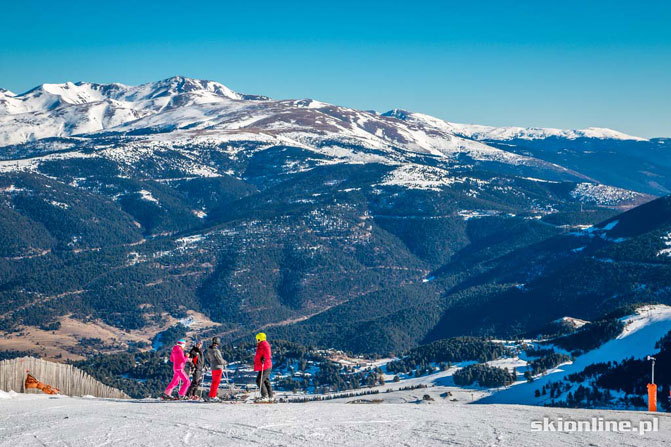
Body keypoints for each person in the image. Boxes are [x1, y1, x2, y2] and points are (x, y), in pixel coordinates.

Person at [254, 332, 273, 401]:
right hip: (264, 365)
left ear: (260, 338)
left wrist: (264, 358)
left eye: (257, 339)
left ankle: (265, 396)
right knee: (265, 381)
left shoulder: (264, 344)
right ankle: (270, 396)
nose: (256, 340)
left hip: (265, 365)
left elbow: (268, 353)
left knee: (259, 380)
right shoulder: (261, 344)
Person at [206, 337, 225, 402]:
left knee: (214, 382)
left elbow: (208, 358)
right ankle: (213, 396)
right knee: (216, 382)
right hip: (218, 368)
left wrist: (212, 363)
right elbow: (220, 360)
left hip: (213, 367)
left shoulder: (209, 350)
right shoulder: (216, 351)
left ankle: (211, 395)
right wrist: (225, 362)